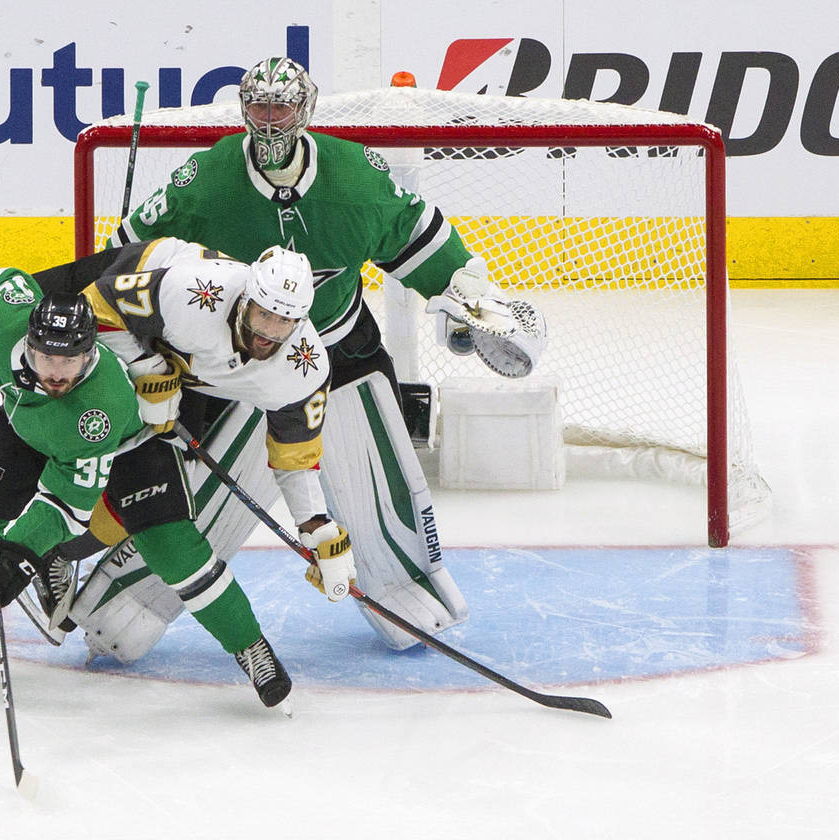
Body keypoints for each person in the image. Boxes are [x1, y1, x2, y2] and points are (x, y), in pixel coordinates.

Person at [0, 193, 349, 711]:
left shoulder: (301, 368)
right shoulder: (188, 290)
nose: (270, 333)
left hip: (127, 405)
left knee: (165, 532)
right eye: (262, 315)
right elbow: (90, 305)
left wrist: (318, 527)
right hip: (114, 308)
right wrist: (143, 366)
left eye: (285, 323)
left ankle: (227, 637)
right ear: (243, 296)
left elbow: (295, 453)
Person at [87, 56, 546, 656]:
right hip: (236, 363)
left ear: (305, 109)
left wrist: (469, 297)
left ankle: (405, 588)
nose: (270, 121)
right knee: (195, 493)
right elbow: (130, 258)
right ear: (243, 108)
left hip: (341, 352)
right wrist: (136, 344)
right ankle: (127, 598)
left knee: (377, 484)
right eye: (259, 107)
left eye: (282, 107)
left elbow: (417, 233)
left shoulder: (353, 175)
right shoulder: (205, 179)